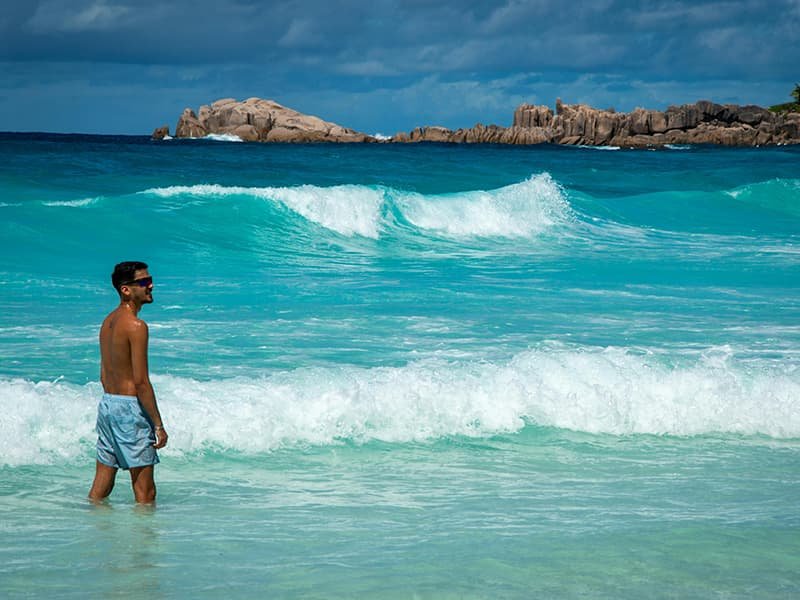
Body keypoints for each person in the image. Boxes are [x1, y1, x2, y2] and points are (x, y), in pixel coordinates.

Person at [88, 261, 168, 504]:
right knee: (146, 493)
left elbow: (104, 375)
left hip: (108, 406)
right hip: (130, 410)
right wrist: (158, 425)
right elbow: (141, 382)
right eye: (143, 282)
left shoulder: (108, 322)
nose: (150, 285)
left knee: (101, 487)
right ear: (126, 289)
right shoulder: (137, 326)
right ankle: (145, 541)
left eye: (149, 279)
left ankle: (96, 533)